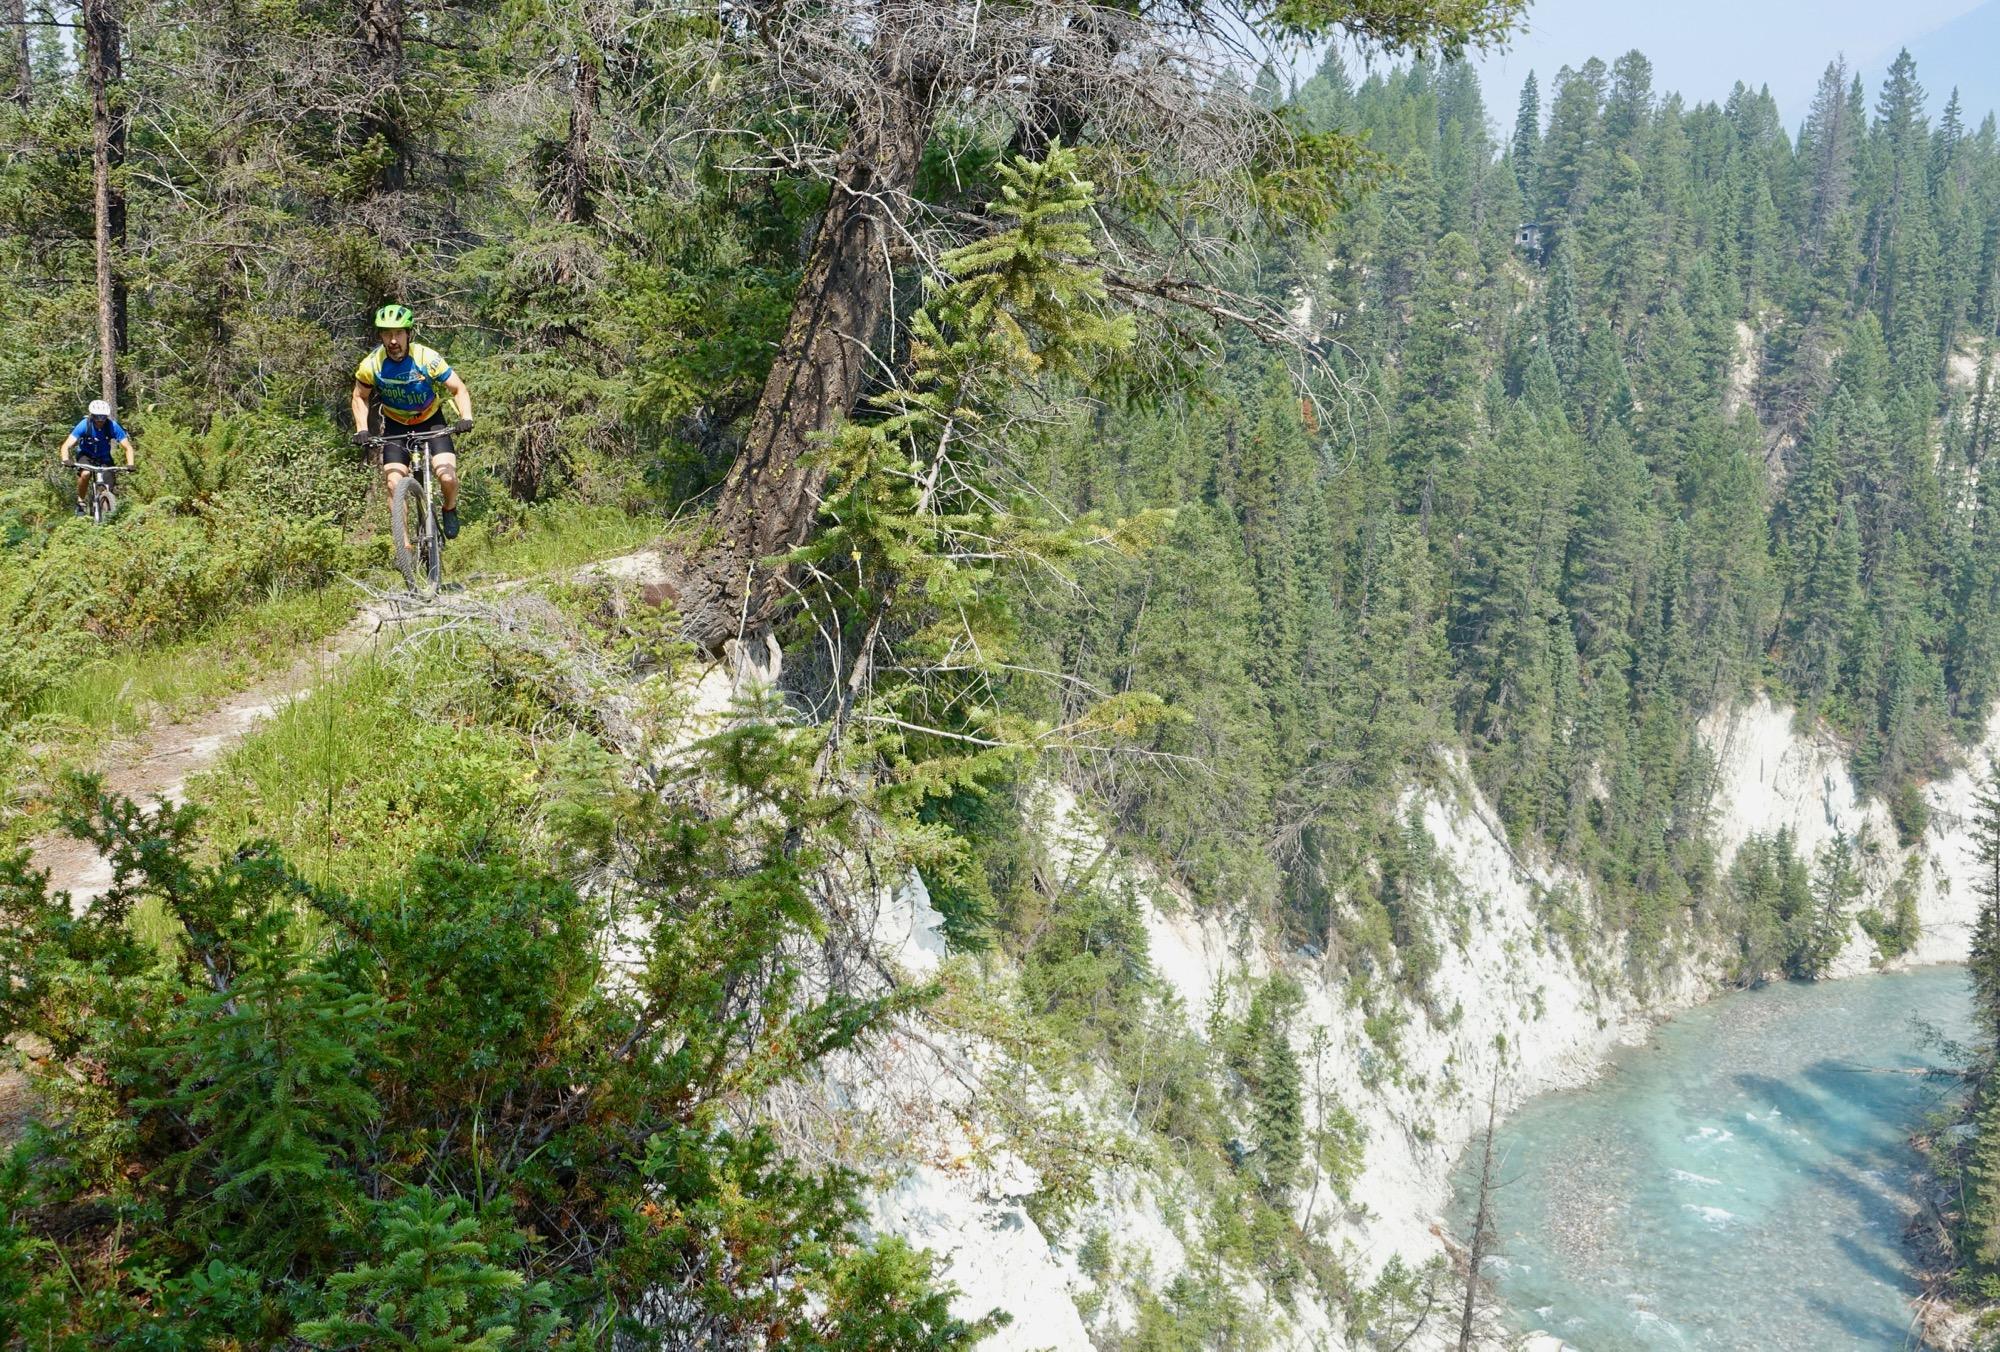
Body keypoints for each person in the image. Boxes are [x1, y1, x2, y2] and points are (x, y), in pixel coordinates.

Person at [350, 303, 473, 539]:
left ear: (408, 334)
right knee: (394, 484)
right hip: (396, 425)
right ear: (381, 336)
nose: (393, 340)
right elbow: (359, 397)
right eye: (387, 334)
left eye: (398, 333)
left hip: (431, 420)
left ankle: (449, 508)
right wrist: (362, 429)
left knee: (447, 476)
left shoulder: (427, 358)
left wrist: (465, 417)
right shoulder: (372, 365)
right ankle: (404, 546)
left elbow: (458, 389)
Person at [58, 399, 135, 516]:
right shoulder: (84, 425)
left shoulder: (112, 426)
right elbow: (66, 445)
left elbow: (127, 447)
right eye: (97, 417)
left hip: (104, 456)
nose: (100, 420)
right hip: (86, 454)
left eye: (103, 417)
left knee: (109, 485)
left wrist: (130, 464)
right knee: (86, 474)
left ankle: (107, 510)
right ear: (92, 416)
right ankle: (81, 502)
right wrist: (66, 459)